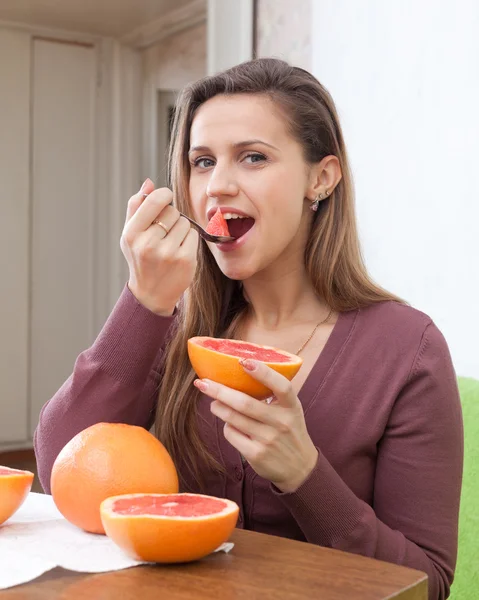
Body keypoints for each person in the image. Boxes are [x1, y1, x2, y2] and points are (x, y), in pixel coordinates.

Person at [34, 58, 463, 600]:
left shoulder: (409, 350)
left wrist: (304, 473)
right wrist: (143, 301)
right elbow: (58, 468)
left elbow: (428, 585)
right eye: (202, 161)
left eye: (253, 157)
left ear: (321, 178)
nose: (218, 186)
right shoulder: (172, 325)